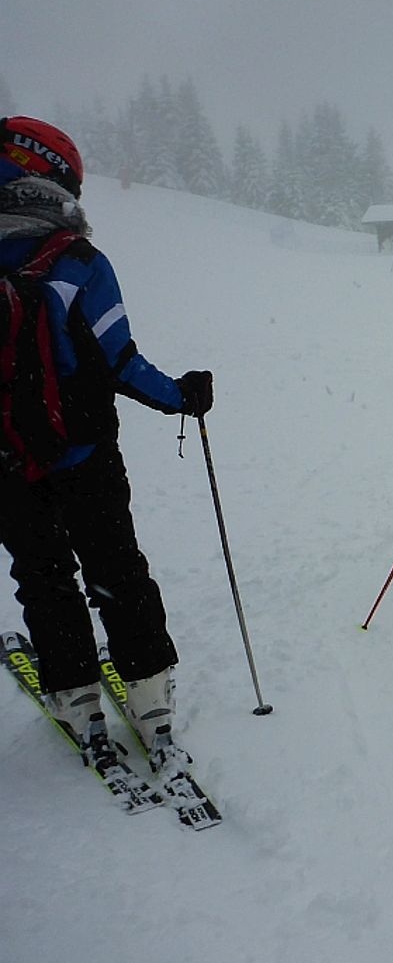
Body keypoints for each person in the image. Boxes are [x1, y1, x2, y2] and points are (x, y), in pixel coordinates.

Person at [0, 116, 214, 775]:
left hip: (7, 464)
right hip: (84, 455)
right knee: (116, 570)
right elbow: (119, 360)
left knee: (44, 577)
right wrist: (183, 396)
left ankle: (77, 703)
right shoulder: (78, 262)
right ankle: (151, 705)